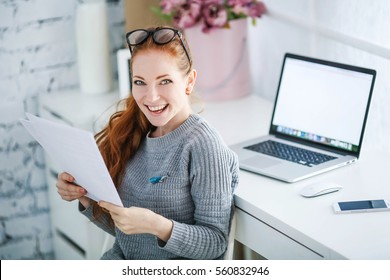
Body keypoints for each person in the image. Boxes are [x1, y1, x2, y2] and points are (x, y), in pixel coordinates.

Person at [56, 26, 239, 260]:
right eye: (140, 82)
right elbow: (127, 235)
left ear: (189, 81)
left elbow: (215, 243)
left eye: (164, 81)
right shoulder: (134, 132)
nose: (151, 97)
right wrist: (82, 195)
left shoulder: (203, 145)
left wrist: (158, 226)